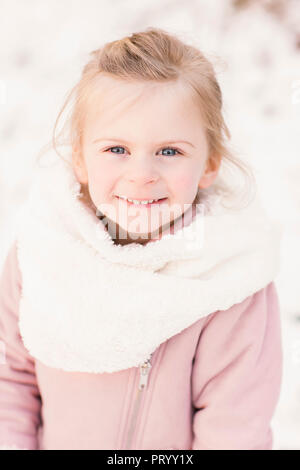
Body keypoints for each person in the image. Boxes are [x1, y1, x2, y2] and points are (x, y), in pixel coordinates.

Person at [0, 27, 283, 450]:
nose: (142, 174)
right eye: (117, 149)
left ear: (209, 164)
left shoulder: (228, 280)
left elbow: (235, 428)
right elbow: (10, 382)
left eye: (170, 152)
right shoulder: (43, 253)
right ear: (80, 158)